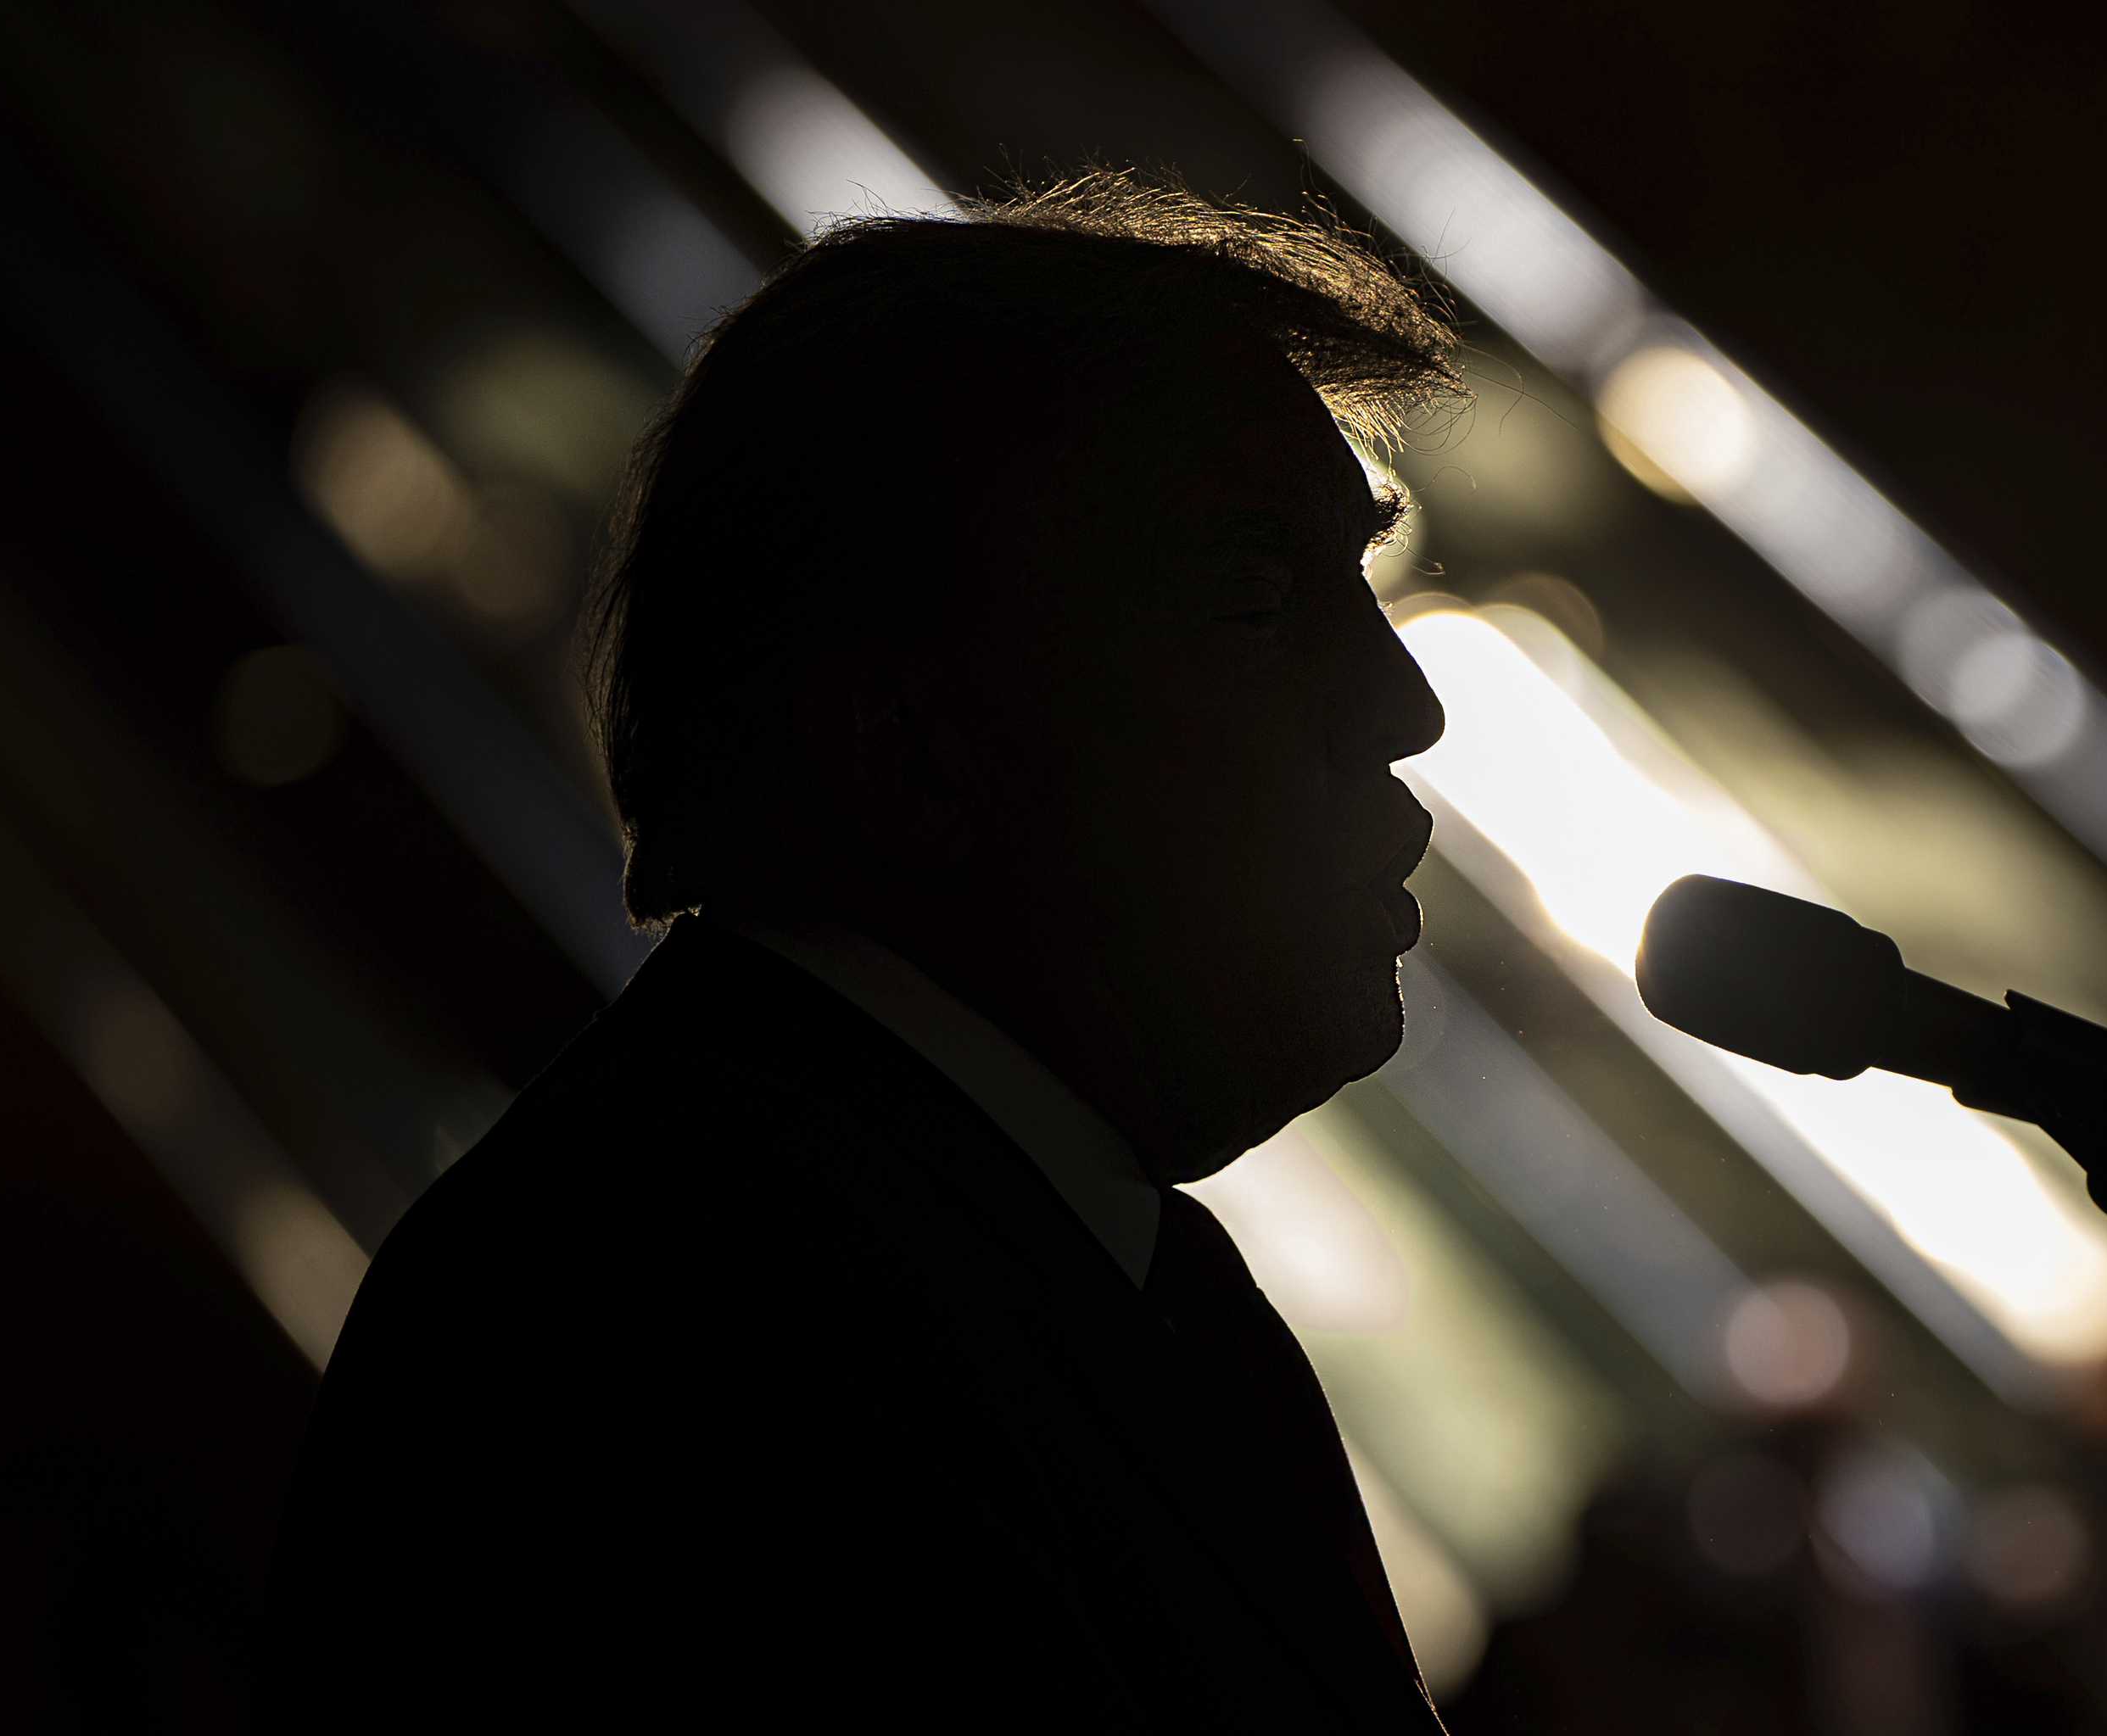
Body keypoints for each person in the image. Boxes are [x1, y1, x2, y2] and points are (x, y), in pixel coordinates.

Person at [256, 171, 1461, 1731]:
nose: (1403, 708)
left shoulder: (1068, 1259)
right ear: (902, 750)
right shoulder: (657, 1343)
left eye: (1356, 582)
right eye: (1253, 602)